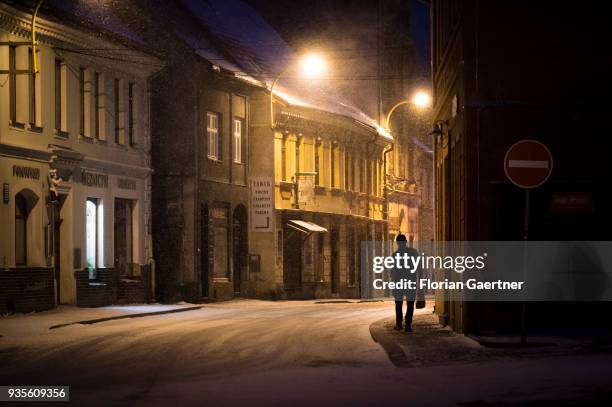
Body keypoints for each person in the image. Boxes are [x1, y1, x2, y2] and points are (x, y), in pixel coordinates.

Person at [391, 234, 420, 332]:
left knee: (398, 303)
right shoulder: (413, 253)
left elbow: (393, 271)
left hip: (399, 282)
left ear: (398, 243)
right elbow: (419, 268)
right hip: (410, 281)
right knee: (410, 303)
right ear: (406, 242)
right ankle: (408, 324)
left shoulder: (395, 255)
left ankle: (399, 323)